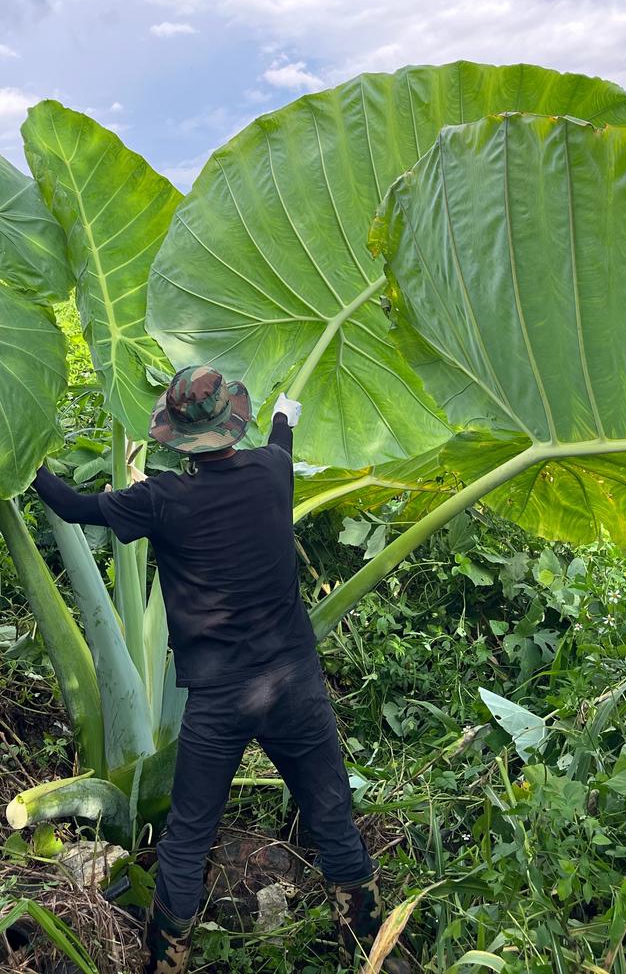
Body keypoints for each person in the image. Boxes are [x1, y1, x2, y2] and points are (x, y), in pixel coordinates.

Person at [33, 365, 410, 974]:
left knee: (187, 837)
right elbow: (282, 436)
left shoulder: (162, 499)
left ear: (176, 435)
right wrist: (286, 409)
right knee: (331, 812)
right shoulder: (270, 472)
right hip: (293, 682)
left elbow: (74, 507)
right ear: (234, 422)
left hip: (219, 697)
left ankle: (168, 962)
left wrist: (30, 462)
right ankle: (374, 948)